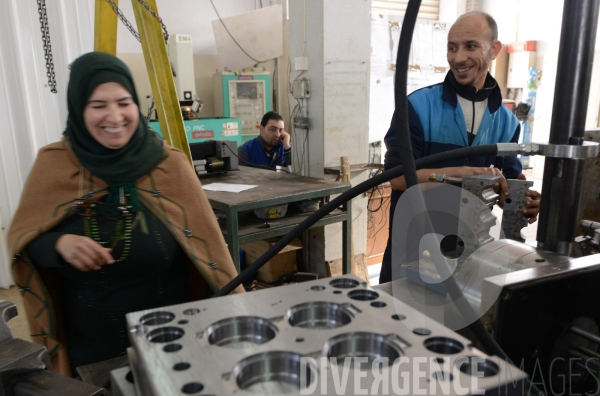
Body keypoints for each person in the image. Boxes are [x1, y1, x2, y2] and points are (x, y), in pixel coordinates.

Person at [7, 52, 244, 377]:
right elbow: (25, 242)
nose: (115, 116)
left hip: (174, 340)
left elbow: (209, 254)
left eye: (123, 102)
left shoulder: (169, 165)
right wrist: (59, 244)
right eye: (98, 105)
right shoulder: (54, 165)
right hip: (91, 348)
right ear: (78, 109)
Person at [379, 11, 541, 284]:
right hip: (412, 250)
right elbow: (395, 177)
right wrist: (464, 173)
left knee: (460, 326)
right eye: (452, 48)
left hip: (471, 256)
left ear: (494, 50)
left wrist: (523, 202)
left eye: (470, 46)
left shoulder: (507, 122)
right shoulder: (417, 107)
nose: (458, 57)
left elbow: (508, 187)